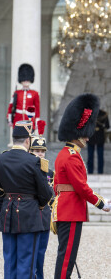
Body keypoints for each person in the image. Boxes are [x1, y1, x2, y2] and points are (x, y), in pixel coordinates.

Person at [53, 94, 110, 279]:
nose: (87, 138)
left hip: (68, 210)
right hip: (70, 211)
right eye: (84, 135)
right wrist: (101, 203)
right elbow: (81, 187)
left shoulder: (67, 154)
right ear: (77, 134)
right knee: (66, 258)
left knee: (67, 258)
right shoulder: (70, 156)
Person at [0, 120, 52, 279]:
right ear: (27, 140)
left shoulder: (0, 159)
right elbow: (46, 193)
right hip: (29, 214)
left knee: (9, 260)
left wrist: (0, 212)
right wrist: (37, 206)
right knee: (26, 262)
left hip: (7, 213)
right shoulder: (34, 161)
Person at [29, 120, 54, 279]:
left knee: (41, 252)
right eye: (36, 150)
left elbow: (54, 194)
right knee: (29, 252)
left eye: (42, 151)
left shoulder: (50, 172)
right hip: (30, 215)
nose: (40, 153)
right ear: (30, 150)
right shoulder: (27, 169)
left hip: (45, 216)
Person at [7, 63, 40, 128]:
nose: (26, 81)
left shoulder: (35, 93)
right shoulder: (16, 93)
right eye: (24, 79)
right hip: (17, 120)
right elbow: (11, 106)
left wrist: (36, 122)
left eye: (27, 79)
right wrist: (9, 119)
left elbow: (37, 109)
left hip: (29, 121)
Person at [87, 109, 110, 174]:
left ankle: (91, 172)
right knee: (98, 157)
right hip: (99, 136)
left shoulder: (88, 114)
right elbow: (107, 126)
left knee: (92, 157)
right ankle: (99, 172)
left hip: (92, 136)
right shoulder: (103, 114)